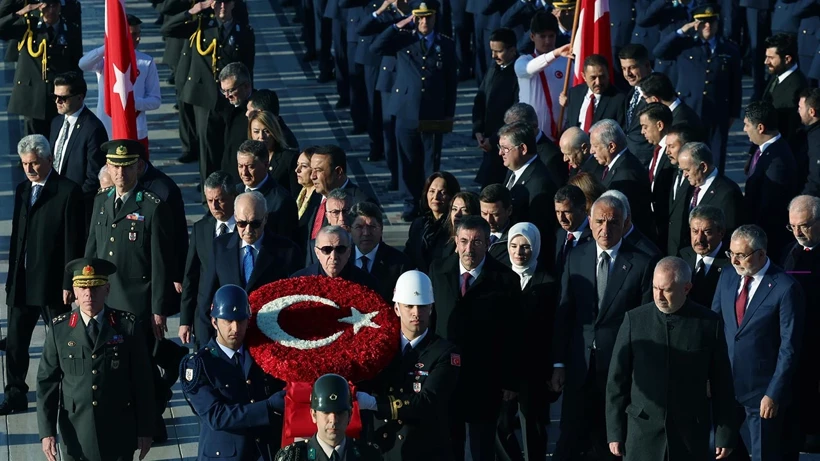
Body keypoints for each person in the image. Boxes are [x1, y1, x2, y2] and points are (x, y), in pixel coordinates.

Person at [551, 195, 657, 461]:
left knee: (609, 444)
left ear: (626, 224)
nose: (605, 229)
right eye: (599, 222)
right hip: (579, 367)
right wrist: (559, 363)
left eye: (613, 223)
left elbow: (644, 325)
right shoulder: (576, 256)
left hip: (617, 370)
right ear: (589, 221)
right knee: (569, 441)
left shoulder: (641, 264)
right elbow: (565, 313)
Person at [606, 257, 737, 460]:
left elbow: (723, 383)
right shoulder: (635, 320)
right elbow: (617, 380)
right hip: (642, 433)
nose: (658, 296)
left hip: (689, 435)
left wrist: (725, 435)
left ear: (686, 288)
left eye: (666, 290)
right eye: (655, 288)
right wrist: (615, 432)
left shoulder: (708, 323)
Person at [37, 258, 155, 461]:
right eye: (82, 287)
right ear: (74, 291)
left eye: (95, 287)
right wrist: (47, 432)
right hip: (77, 431)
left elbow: (142, 381)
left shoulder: (126, 326)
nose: (88, 294)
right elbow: (47, 382)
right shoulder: (60, 330)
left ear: (107, 289)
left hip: (118, 429)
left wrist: (145, 429)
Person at [428, 216, 522, 461]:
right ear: (456, 242)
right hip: (446, 374)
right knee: (449, 445)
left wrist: (511, 381)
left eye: (477, 242)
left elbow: (514, 333)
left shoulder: (505, 280)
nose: (469, 249)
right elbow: (432, 320)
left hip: (485, 378)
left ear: (487, 243)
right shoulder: (438, 270)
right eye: (464, 241)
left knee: (481, 448)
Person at [2, 135, 85, 415]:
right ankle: (14, 394)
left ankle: (68, 392)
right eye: (25, 164)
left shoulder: (67, 191)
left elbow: (72, 241)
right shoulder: (23, 191)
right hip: (23, 283)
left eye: (35, 163)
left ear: (50, 160)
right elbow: (17, 239)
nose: (29, 169)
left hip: (51, 284)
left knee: (62, 342)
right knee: (15, 343)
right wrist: (11, 280)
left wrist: (68, 282)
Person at [711, 225, 805, 461]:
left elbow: (789, 347)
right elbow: (713, 326)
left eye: (741, 255)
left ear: (761, 254)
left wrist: (774, 393)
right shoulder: (728, 276)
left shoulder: (785, 287)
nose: (734, 260)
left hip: (762, 396)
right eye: (731, 253)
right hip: (727, 390)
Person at [356, 270, 460, 460]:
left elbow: (429, 402)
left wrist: (374, 403)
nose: (415, 313)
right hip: (384, 447)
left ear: (431, 308)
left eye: (422, 306)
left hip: (424, 449)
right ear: (396, 309)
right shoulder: (381, 347)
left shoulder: (445, 352)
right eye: (409, 306)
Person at [370, 0, 458, 222]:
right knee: (408, 161)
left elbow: (451, 82)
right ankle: (410, 202)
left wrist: (449, 113)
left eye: (428, 16)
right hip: (406, 110)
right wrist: (398, 25)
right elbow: (375, 47)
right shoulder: (403, 40)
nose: (424, 21)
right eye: (419, 17)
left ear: (434, 17)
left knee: (430, 162)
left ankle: (430, 204)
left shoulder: (445, 44)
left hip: (433, 111)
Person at [180, 284, 286, 459]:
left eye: (241, 320)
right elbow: (217, 416)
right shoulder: (199, 365)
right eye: (228, 321)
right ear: (214, 322)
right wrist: (267, 407)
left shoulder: (261, 355)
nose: (235, 329)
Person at [160, 0, 255, 188]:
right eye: (218, 3)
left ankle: (228, 185)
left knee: (230, 145)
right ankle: (208, 191)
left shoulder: (242, 31)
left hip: (232, 100)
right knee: (207, 149)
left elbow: (247, 67)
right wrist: (193, 11)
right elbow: (168, 29)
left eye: (226, 3)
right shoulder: (202, 25)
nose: (222, 7)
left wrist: (249, 97)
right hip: (206, 99)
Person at [198, 191, 303, 347]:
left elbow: (295, 302)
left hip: (271, 342)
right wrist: (204, 346)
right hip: (229, 340)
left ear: (265, 218)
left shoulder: (287, 251)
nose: (248, 230)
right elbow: (205, 298)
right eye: (241, 223)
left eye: (254, 223)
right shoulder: (219, 247)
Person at [653, 4, 742, 173]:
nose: (707, 26)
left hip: (717, 111)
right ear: (695, 24)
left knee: (715, 158)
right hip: (690, 109)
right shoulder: (685, 45)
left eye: (711, 22)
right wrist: (682, 31)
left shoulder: (729, 49)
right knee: (686, 155)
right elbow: (659, 51)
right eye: (703, 22)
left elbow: (735, 84)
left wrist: (733, 113)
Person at [500, 222, 559, 461]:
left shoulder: (549, 282)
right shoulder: (501, 277)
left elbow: (553, 328)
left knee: (532, 426)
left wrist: (553, 368)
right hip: (505, 365)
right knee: (501, 424)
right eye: (513, 246)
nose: (518, 252)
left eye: (525, 246)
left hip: (535, 367)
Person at [77, 14, 161, 150]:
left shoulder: (146, 61)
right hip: (106, 128)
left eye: (139, 33)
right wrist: (109, 46)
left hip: (136, 130)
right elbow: (83, 64)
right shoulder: (105, 60)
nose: (138, 38)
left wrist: (132, 103)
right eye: (133, 34)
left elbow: (155, 100)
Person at [0, 0, 83, 136]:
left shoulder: (69, 29)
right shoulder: (28, 27)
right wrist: (19, 13)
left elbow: (76, 64)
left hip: (58, 98)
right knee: (33, 146)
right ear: (39, 7)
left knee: (58, 143)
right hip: (33, 97)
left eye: (54, 5)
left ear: (60, 7)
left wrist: (77, 94)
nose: (50, 10)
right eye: (46, 6)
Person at [781, 196, 820, 452]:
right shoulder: (789, 251)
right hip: (796, 342)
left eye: (804, 225)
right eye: (792, 227)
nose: (797, 232)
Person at [180, 171, 237, 345]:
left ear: (233, 197)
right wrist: (185, 320)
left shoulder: (245, 229)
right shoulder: (201, 229)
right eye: (210, 201)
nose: (214, 206)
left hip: (233, 319)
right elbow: (191, 276)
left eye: (219, 200)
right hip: (204, 319)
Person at [274, 373, 381, 461]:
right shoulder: (293, 457)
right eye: (326, 412)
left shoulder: (368, 455)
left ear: (350, 415)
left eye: (339, 412)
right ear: (313, 415)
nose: (333, 420)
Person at [743, 100, 798, 262]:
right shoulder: (765, 150)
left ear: (760, 128)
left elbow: (769, 209)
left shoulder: (777, 162)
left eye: (747, 125)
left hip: (768, 241)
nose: (744, 129)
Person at [47, 71, 109, 200]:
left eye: (63, 98)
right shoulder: (56, 122)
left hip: (77, 202)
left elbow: (94, 176)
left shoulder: (93, 128)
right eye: (54, 97)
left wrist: (74, 200)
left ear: (80, 97)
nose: (57, 102)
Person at [674, 142, 745, 253]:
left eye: (687, 170)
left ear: (703, 167)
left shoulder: (728, 193)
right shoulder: (691, 183)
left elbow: (730, 235)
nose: (684, 175)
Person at [589, 119, 653, 238]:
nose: (591, 151)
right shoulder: (620, 164)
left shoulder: (627, 174)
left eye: (595, 146)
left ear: (611, 146)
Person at [499, 121, 558, 251]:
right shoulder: (513, 168)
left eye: (505, 148)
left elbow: (538, 231)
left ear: (523, 149)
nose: (500, 153)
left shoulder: (540, 183)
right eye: (500, 147)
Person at [473, 27, 520, 188]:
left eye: (498, 51)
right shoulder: (494, 68)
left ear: (512, 50)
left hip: (503, 142)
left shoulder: (517, 74)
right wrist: (478, 130)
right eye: (492, 51)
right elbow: (480, 98)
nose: (493, 56)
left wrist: (494, 139)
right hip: (488, 140)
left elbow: (514, 114)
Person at [514, 12, 571, 141]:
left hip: (561, 135)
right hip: (532, 136)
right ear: (532, 36)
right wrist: (555, 53)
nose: (548, 41)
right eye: (543, 36)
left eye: (551, 36)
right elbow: (531, 68)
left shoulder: (567, 63)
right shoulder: (523, 61)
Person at [350, 201, 414, 302]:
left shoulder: (400, 264)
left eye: (372, 227)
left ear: (381, 229)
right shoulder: (341, 257)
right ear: (350, 230)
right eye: (359, 227)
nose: (366, 233)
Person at [236, 139, 299, 239]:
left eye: (250, 167)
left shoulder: (282, 201)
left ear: (266, 165)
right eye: (240, 166)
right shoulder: (234, 193)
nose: (244, 172)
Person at [292, 225, 381, 292]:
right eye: (326, 250)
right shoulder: (297, 281)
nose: (333, 256)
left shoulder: (367, 284)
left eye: (340, 249)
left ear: (349, 252)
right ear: (317, 252)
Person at [404, 171, 461, 273]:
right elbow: (408, 256)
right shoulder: (418, 224)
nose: (435, 197)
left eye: (442, 192)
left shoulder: (455, 227)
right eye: (432, 191)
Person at [762, 33, 808, 150]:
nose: (766, 62)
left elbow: (789, 127)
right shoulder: (777, 75)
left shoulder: (796, 85)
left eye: (771, 58)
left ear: (787, 59)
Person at [638, 102, 675, 248]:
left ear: (659, 125)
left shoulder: (672, 154)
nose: (642, 132)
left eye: (645, 126)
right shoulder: (657, 149)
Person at [679, 205, 732, 307]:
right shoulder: (683, 255)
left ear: (721, 232)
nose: (699, 239)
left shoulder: (731, 263)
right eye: (695, 231)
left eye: (707, 232)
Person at [504, 102, 567, 187]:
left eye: (515, 130)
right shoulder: (514, 148)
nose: (509, 135)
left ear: (533, 126)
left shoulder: (551, 157)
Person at [563, 54, 626, 133]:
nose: (598, 82)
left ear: (608, 74)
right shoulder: (574, 93)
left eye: (602, 77)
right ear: (584, 76)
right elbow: (569, 124)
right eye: (593, 77)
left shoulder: (619, 99)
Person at [664, 126, 699, 256]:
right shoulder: (673, 172)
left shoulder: (695, 179)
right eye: (666, 147)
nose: (667, 152)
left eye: (672, 147)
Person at [618, 44, 655, 166]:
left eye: (632, 67)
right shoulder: (632, 91)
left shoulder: (658, 90)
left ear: (647, 66)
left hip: (648, 163)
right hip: (631, 160)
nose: (627, 74)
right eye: (624, 69)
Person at [220, 62, 256, 184]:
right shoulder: (226, 106)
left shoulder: (256, 110)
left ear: (246, 86)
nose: (226, 96)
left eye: (230, 90)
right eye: (223, 91)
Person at [249, 110, 300, 195]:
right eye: (256, 132)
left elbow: (296, 194)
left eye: (266, 131)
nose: (261, 136)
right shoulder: (247, 157)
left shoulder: (289, 158)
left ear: (274, 131)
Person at [638, 72, 703, 134]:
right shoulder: (676, 113)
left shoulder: (681, 122)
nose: (645, 102)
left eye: (645, 98)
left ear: (655, 99)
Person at [553, 184, 592, 275]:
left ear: (582, 209)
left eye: (566, 212)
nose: (561, 218)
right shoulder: (559, 234)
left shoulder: (595, 235)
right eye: (557, 212)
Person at [479, 184, 514, 266]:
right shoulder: (472, 232)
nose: (488, 220)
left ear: (509, 210)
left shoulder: (516, 241)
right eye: (484, 213)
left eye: (495, 215)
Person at [798, 88, 820, 197]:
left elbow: (816, 179)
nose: (798, 111)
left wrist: (803, 200)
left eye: (800, 108)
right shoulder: (809, 132)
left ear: (811, 112)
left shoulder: (816, 141)